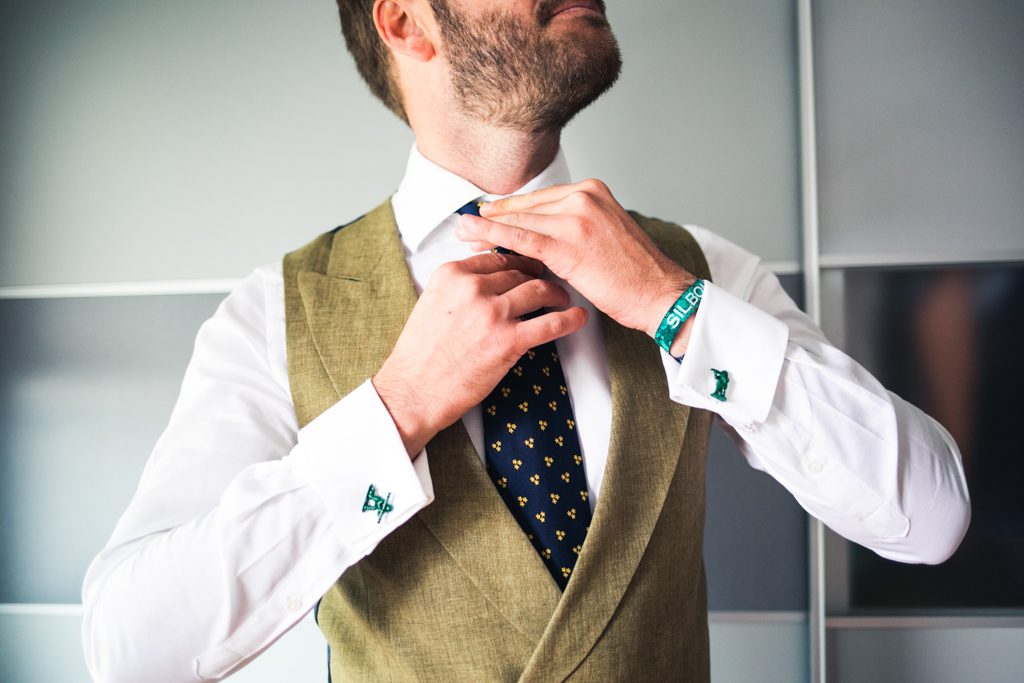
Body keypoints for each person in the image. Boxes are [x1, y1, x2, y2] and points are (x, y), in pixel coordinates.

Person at [81, 0, 971, 680]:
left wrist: (674, 304)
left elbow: (930, 519)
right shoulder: (274, 312)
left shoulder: (703, 272)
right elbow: (130, 642)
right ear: (403, 20)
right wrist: (396, 413)